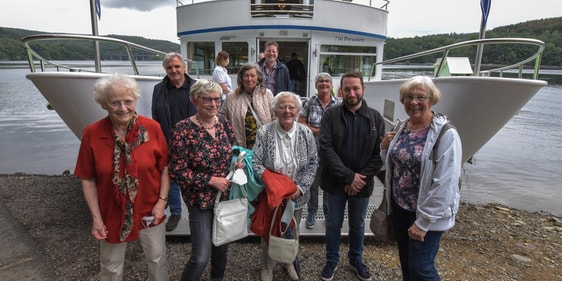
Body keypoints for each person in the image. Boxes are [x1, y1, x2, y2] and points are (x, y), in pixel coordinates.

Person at [75, 73, 169, 281]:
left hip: (150, 209)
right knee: (111, 266)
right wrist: (96, 218)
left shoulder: (152, 128)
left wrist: (162, 202)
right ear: (103, 104)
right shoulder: (92, 133)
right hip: (112, 211)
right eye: (115, 102)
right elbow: (88, 179)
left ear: (135, 100)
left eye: (128, 101)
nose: (123, 108)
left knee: (156, 258)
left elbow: (164, 168)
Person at [380, 76, 462, 281]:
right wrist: (383, 147)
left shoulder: (446, 134)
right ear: (402, 100)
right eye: (408, 97)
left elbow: (446, 182)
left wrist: (424, 221)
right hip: (400, 208)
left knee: (421, 268)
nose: (413, 102)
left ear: (431, 99)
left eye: (420, 97)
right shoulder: (402, 127)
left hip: (425, 214)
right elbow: (393, 163)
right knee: (406, 262)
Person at [168, 79, 240, 281]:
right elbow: (177, 170)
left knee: (221, 252)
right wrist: (210, 179)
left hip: (224, 198)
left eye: (217, 99)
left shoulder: (224, 123)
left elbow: (233, 149)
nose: (213, 104)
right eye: (207, 99)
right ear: (194, 100)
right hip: (199, 201)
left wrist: (237, 163)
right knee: (200, 257)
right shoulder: (182, 129)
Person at [319, 71, 385, 281]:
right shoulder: (331, 115)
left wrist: (359, 179)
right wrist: (348, 177)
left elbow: (380, 154)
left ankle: (356, 259)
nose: (351, 92)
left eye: (356, 88)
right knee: (333, 223)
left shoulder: (375, 118)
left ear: (363, 89)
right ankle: (332, 260)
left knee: (358, 224)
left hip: (362, 185)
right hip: (336, 183)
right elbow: (326, 149)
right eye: (347, 89)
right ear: (341, 91)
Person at [252, 92, 318, 281]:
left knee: (292, 231)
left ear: (297, 111)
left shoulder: (305, 133)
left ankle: (288, 262)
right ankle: (267, 267)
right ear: (275, 110)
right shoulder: (264, 132)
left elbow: (313, 162)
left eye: (291, 107)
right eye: (282, 107)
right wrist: (273, 186)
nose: (287, 111)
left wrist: (301, 188)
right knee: (269, 230)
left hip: (296, 195)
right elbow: (256, 162)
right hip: (271, 195)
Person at [152, 52, 198, 232]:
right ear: (165, 69)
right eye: (170, 67)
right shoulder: (159, 89)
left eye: (177, 66)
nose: (174, 70)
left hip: (194, 141)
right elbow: (155, 117)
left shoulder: (196, 87)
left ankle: (197, 211)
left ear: (184, 68)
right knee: (171, 178)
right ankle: (176, 213)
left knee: (195, 176)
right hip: (168, 141)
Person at [298, 72, 341, 229]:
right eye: (321, 81)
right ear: (316, 85)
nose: (324, 84)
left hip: (332, 152)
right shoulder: (309, 102)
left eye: (327, 81)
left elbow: (341, 126)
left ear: (331, 85)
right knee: (313, 184)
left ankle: (328, 213)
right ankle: (312, 212)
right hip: (313, 151)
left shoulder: (338, 104)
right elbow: (301, 123)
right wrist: (321, 131)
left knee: (329, 184)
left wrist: (321, 131)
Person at [220, 63, 275, 149]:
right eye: (246, 76)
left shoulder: (266, 94)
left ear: (258, 78)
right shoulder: (231, 97)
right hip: (241, 148)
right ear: (241, 78)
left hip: (264, 146)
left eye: (252, 76)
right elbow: (221, 119)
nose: (249, 79)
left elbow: (275, 117)